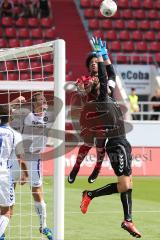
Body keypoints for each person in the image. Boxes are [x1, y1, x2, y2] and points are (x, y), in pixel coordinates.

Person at [80, 37, 141, 238]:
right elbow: (106, 77)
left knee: (128, 184)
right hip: (115, 144)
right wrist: (99, 55)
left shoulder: (109, 95)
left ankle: (127, 219)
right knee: (124, 184)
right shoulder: (101, 99)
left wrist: (105, 56)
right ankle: (92, 196)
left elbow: (111, 74)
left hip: (123, 141)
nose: (102, 79)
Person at [68, 43, 116, 184]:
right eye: (91, 63)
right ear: (88, 66)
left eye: (96, 62)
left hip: (103, 117)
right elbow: (82, 94)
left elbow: (108, 92)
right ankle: (76, 168)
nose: (94, 64)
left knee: (100, 146)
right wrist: (87, 88)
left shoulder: (104, 79)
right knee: (87, 144)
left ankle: (97, 169)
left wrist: (100, 84)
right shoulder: (82, 80)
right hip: (89, 117)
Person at [10, 92, 53, 240]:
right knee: (9, 191)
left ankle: (44, 225)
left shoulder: (51, 116)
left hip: (34, 159)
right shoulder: (26, 115)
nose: (44, 102)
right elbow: (5, 113)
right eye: (41, 100)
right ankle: (3, 224)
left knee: (37, 191)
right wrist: (15, 102)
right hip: (18, 156)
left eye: (45, 100)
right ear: (34, 103)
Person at [0, 104, 28, 240]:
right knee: (7, 210)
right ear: (10, 118)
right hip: (3, 174)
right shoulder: (14, 134)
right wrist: (26, 174)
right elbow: (20, 158)